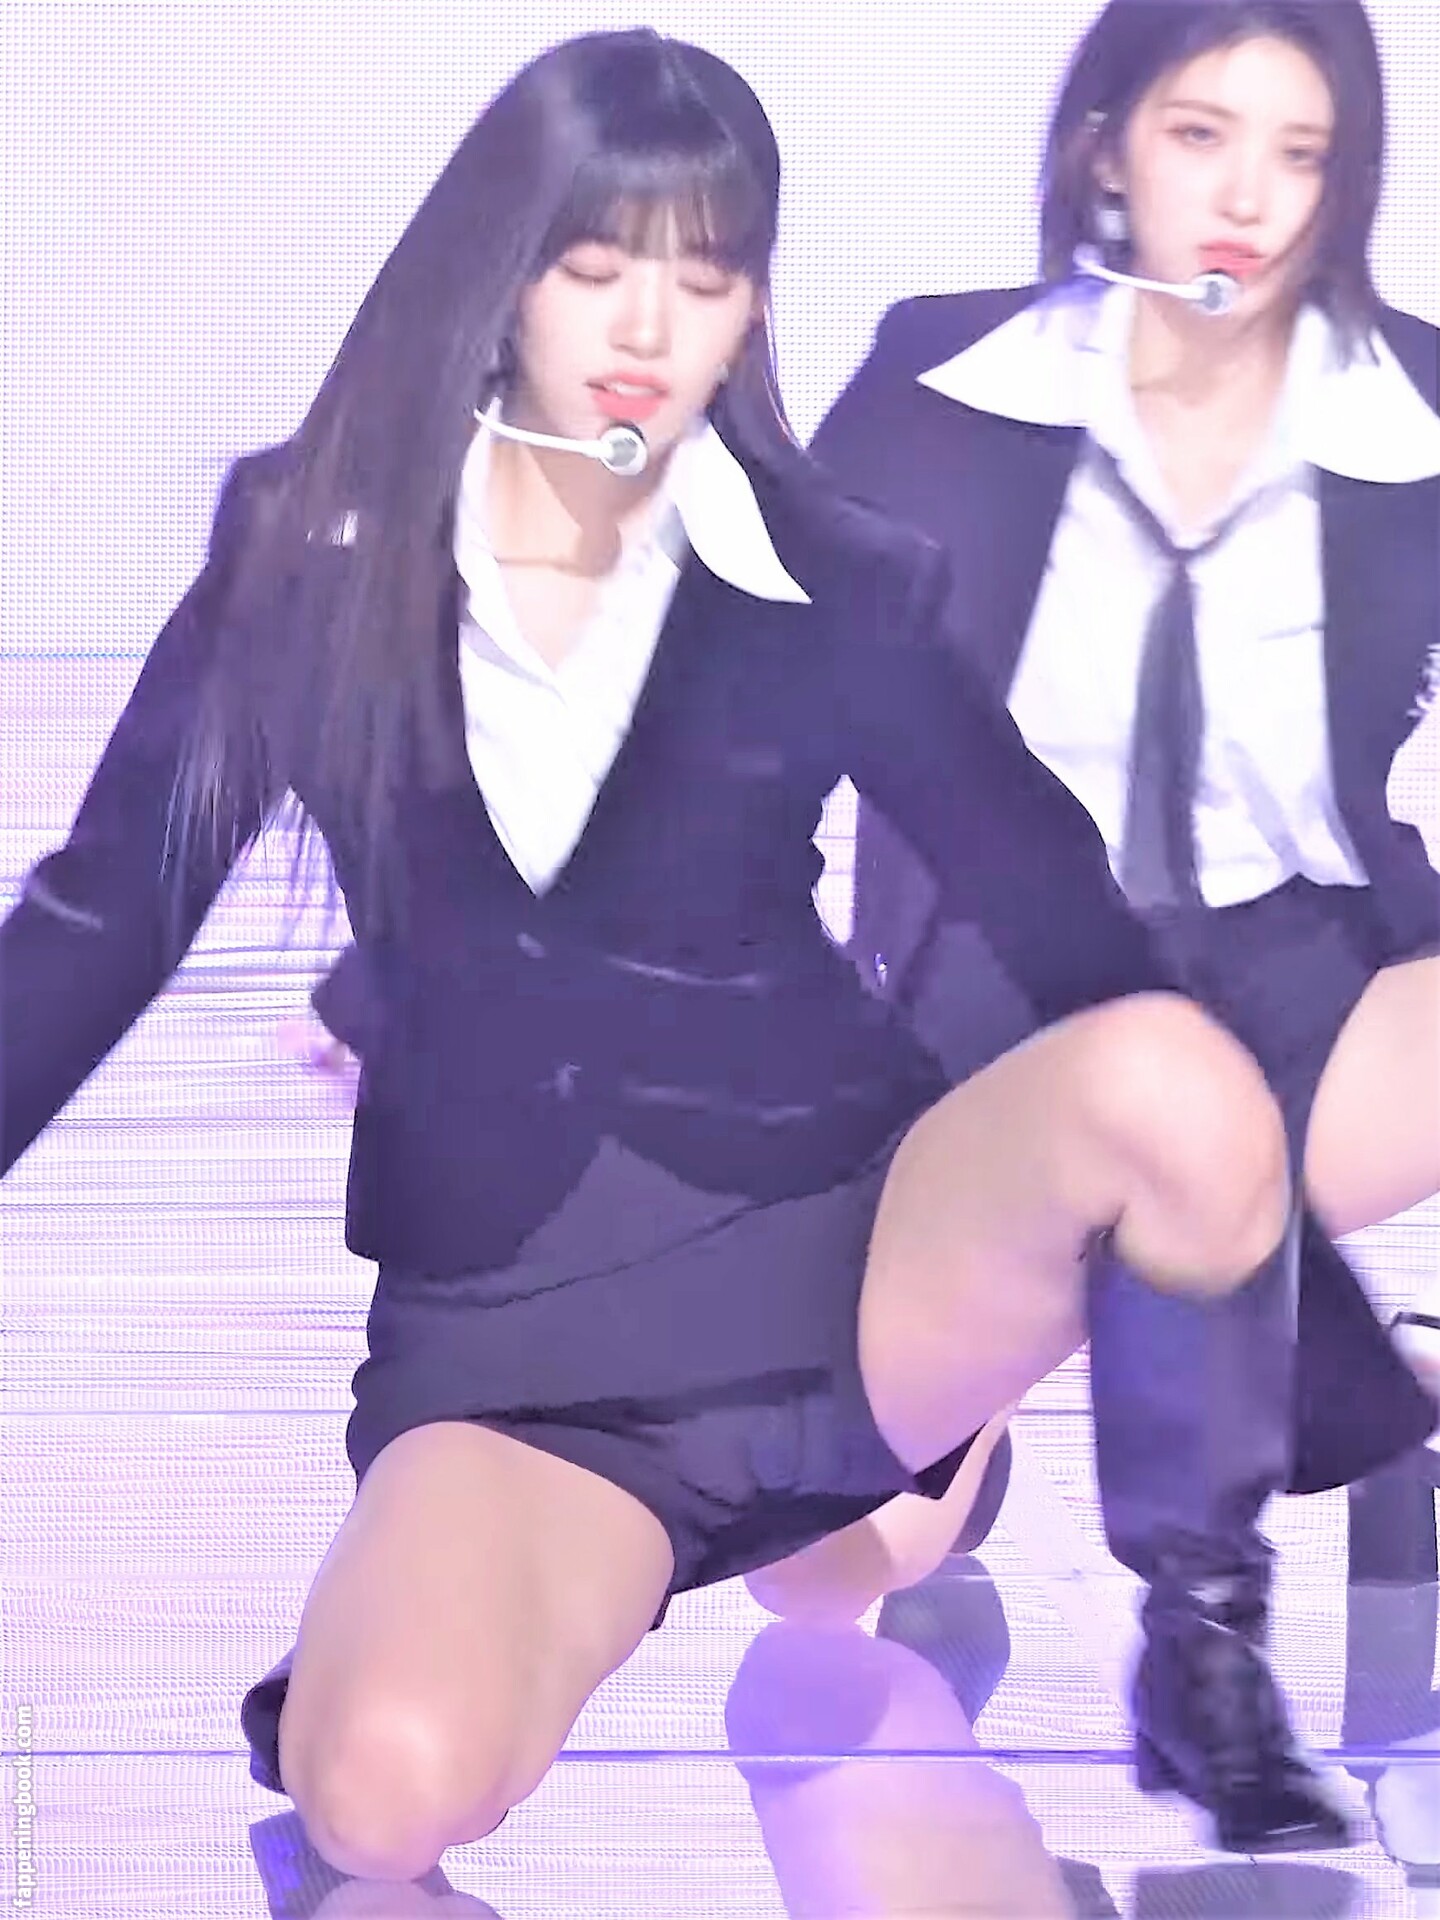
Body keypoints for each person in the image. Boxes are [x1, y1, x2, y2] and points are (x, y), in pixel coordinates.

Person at [3, 27, 1308, 1886]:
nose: (646, 327)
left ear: (751, 304)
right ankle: (560, 1573)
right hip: (526, 1341)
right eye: (596, 264)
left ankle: (1186, 1635)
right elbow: (101, 916)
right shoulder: (310, 556)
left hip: (844, 1258)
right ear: (502, 272)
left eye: (704, 279)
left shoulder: (834, 575)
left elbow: (1059, 919)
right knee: (378, 1799)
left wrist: (1254, 1273)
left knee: (1168, 1085)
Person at [799, 0, 1440, 1858]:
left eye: (1300, 153)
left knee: (1202, 1113)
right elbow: (747, 683)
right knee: (834, 1572)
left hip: (1300, 975)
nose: (1248, 196)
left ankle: (1204, 1638)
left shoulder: (1410, 410)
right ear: (1105, 147)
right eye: (1199, 135)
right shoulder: (945, 382)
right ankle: (1175, 1373)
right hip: (997, 993)